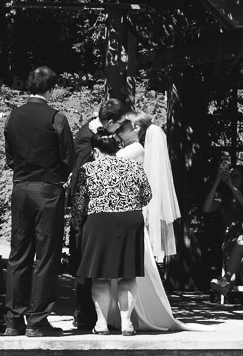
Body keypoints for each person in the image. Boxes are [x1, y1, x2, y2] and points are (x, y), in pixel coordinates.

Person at [3, 66, 75, 337]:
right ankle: (37, 320)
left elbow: (9, 155)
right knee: (46, 255)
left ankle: (13, 320)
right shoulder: (57, 118)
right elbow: (68, 158)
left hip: (20, 187)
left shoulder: (13, 116)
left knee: (18, 254)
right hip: (48, 190)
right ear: (51, 89)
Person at [111, 112, 197, 332]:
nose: (121, 128)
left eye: (125, 125)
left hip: (128, 214)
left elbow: (108, 168)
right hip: (129, 213)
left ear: (137, 128)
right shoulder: (138, 150)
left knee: (131, 269)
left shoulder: (135, 150)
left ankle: (132, 315)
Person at [72, 129, 153, 335]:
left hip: (99, 222)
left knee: (100, 276)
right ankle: (127, 323)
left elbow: (79, 203)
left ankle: (101, 323)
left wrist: (76, 224)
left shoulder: (87, 169)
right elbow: (147, 196)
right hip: (130, 220)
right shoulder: (134, 166)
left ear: (96, 151)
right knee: (128, 275)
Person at [70, 96, 132, 332]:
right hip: (89, 210)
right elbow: (80, 175)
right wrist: (79, 213)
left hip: (102, 211)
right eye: (119, 124)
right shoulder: (87, 138)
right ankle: (86, 315)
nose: (121, 128)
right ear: (109, 121)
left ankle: (97, 316)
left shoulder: (97, 133)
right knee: (87, 265)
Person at [204, 165, 243, 295]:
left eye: (235, 176)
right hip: (230, 240)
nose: (232, 179)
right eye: (230, 176)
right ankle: (242, 295)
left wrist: (232, 187)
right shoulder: (224, 198)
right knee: (242, 263)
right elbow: (207, 209)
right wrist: (216, 184)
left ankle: (227, 284)